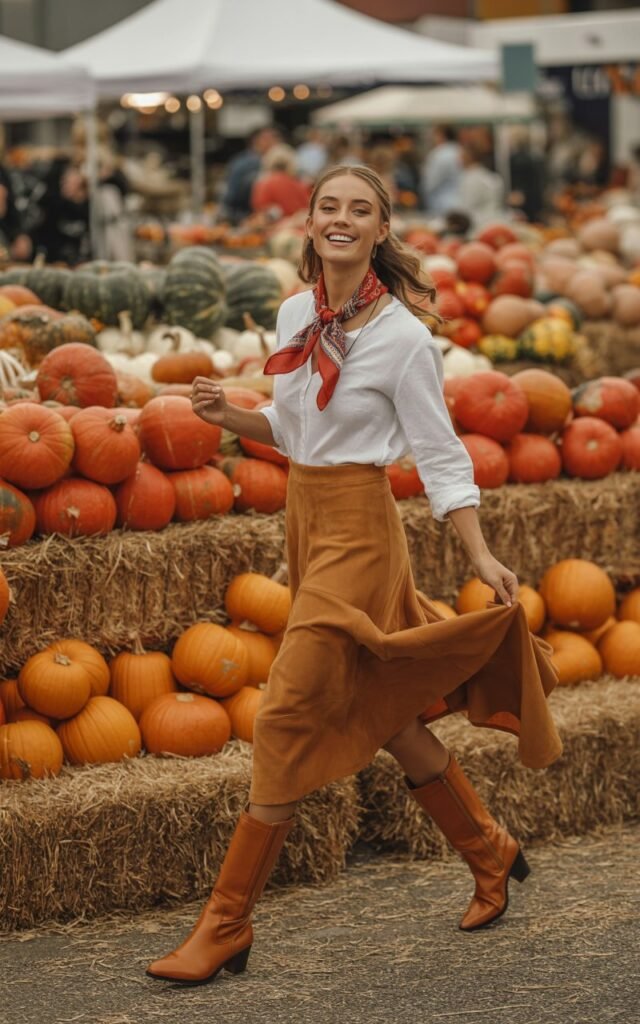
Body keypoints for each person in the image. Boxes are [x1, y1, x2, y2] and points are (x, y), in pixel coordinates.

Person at [146, 164, 562, 986]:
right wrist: (230, 418)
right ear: (307, 223)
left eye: (359, 210)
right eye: (328, 206)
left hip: (362, 535)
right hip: (306, 521)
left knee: (288, 713)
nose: (341, 219)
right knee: (383, 709)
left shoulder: (403, 336)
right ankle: (490, 849)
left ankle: (225, 924)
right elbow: (296, 431)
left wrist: (480, 552)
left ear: (379, 231)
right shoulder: (296, 313)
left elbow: (441, 457)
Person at [219, 126, 281, 224]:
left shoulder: (243, 159)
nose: (274, 143)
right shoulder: (249, 163)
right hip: (244, 216)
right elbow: (234, 195)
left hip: (249, 216)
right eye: (269, 139)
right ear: (257, 140)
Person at [250, 144, 311, 220]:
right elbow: (307, 208)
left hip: (271, 227)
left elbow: (259, 209)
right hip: (295, 226)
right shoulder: (298, 184)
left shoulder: (261, 183)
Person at [457, 141, 507, 230]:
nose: (458, 159)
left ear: (468, 157)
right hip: (496, 222)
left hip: (478, 226)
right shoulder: (490, 176)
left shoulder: (471, 179)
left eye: (461, 155)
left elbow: (467, 208)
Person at [420, 124, 462, 215]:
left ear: (441, 135)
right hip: (461, 201)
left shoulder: (439, 154)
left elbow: (430, 183)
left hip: (442, 204)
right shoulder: (460, 150)